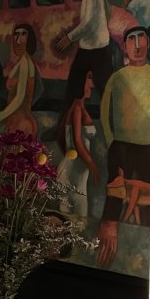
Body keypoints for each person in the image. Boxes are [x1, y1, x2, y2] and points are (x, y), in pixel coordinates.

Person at [97, 26, 150, 266]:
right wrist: (112, 142)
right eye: (132, 40)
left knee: (149, 202)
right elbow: (104, 112)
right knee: (114, 196)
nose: (138, 45)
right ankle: (107, 250)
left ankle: (148, 254)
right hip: (121, 147)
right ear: (125, 46)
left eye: (141, 39)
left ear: (148, 43)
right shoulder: (117, 77)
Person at [56, 0, 113, 127]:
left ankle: (116, 129)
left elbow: (88, 23)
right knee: (74, 90)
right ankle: (62, 128)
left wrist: (69, 38)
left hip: (97, 50)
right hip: (90, 48)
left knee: (106, 93)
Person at [56, 71, 100, 217]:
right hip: (73, 169)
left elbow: (63, 139)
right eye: (89, 78)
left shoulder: (79, 107)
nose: (92, 85)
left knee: (76, 215)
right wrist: (93, 165)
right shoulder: (76, 108)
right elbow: (77, 141)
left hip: (76, 167)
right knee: (77, 215)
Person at [0, 24, 40, 136]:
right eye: (16, 35)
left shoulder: (24, 62)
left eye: (23, 35)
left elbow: (20, 96)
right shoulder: (24, 61)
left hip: (20, 122)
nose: (18, 41)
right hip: (19, 120)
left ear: (29, 40)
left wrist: (1, 115)